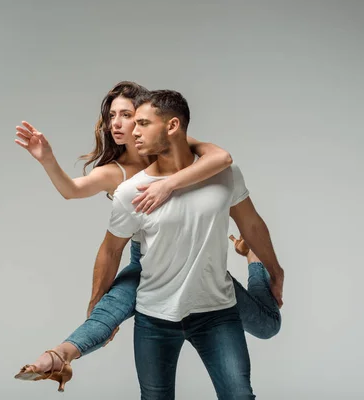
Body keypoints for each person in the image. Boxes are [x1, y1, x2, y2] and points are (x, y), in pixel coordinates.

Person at [14, 83, 282, 394]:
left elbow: (222, 159)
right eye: (113, 116)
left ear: (167, 125)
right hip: (149, 268)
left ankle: (253, 261)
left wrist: (168, 185)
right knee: (107, 310)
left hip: (204, 279)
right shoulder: (123, 178)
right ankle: (59, 356)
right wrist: (47, 159)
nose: (119, 124)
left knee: (266, 327)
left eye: (129, 116)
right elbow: (88, 216)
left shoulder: (193, 153)